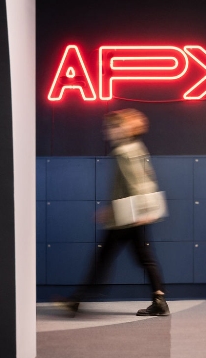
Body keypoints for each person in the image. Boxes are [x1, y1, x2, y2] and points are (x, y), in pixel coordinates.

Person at [63, 108, 170, 317]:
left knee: (104, 258)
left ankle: (77, 299)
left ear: (123, 129)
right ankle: (159, 300)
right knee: (143, 257)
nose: (107, 131)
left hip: (128, 216)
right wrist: (121, 210)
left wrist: (137, 211)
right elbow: (145, 179)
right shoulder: (137, 147)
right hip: (131, 213)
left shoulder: (124, 151)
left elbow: (135, 183)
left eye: (111, 127)